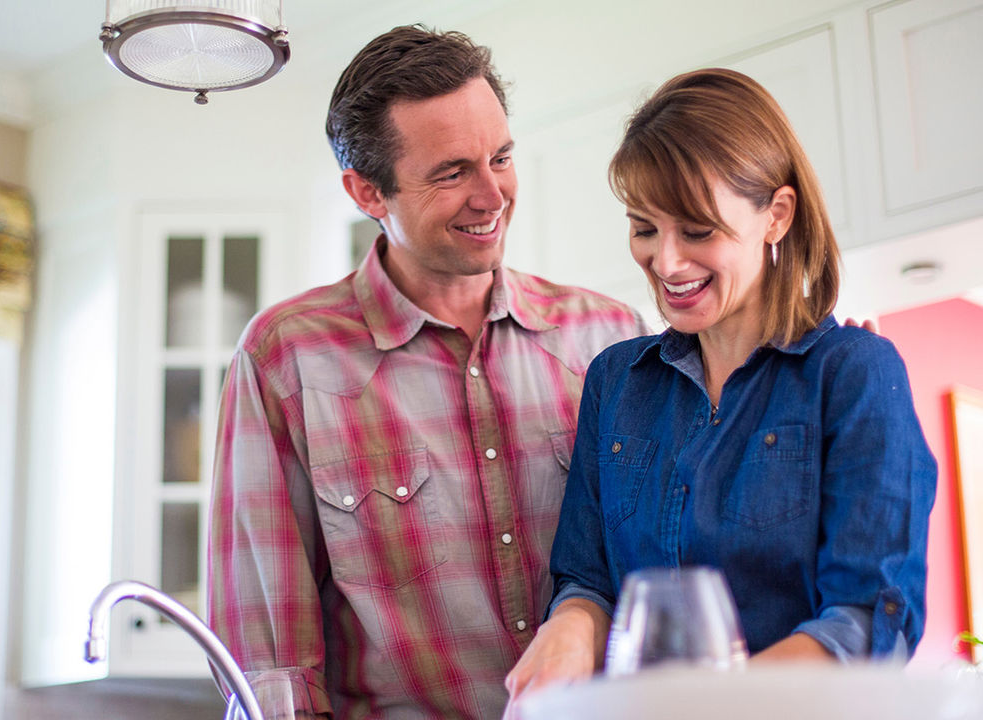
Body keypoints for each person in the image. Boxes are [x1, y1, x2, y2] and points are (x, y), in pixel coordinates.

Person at [207, 25, 648, 719]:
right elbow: (273, 669)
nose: (492, 195)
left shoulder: (611, 338)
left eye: (500, 157)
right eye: (452, 172)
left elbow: (674, 574)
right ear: (367, 193)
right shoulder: (286, 360)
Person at [505, 68, 937, 706]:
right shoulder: (616, 383)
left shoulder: (854, 373)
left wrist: (714, 702)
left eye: (698, 231)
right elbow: (590, 577)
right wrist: (571, 623)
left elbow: (869, 618)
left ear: (776, 216)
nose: (668, 262)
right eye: (645, 228)